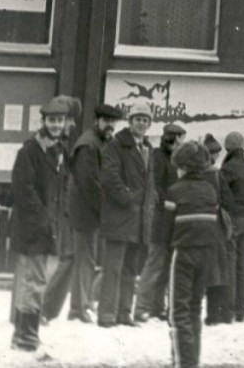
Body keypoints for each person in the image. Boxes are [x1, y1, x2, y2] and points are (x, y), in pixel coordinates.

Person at [10, 98, 69, 351]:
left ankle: (25, 333)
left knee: (39, 280)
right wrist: (43, 217)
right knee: (33, 281)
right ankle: (25, 335)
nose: (56, 125)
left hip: (48, 228)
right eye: (51, 120)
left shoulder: (58, 150)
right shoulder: (29, 151)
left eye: (60, 120)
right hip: (32, 228)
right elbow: (23, 189)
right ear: (43, 121)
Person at [97, 102, 156, 328]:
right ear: (130, 122)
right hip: (120, 217)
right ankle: (107, 315)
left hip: (139, 219)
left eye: (145, 120)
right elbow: (109, 177)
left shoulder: (148, 148)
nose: (141, 123)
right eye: (137, 119)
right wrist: (128, 198)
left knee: (131, 268)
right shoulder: (116, 145)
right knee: (113, 268)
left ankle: (124, 313)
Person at [164, 141, 220, 368]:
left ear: (181, 167)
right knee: (195, 309)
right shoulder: (210, 190)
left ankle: (182, 362)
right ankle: (191, 361)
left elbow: (165, 231)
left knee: (178, 313)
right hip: (206, 253)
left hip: (183, 253)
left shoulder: (174, 191)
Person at [67, 103, 121, 323]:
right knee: (85, 260)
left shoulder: (98, 142)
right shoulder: (89, 145)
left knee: (86, 259)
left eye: (113, 122)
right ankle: (79, 308)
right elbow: (90, 183)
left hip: (89, 211)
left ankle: (80, 305)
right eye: (106, 121)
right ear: (97, 121)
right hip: (86, 212)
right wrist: (104, 210)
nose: (110, 126)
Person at [135, 124, 186, 323]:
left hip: (169, 219)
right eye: (180, 138)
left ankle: (157, 306)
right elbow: (155, 188)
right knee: (154, 264)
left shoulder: (170, 158)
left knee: (164, 266)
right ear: (173, 138)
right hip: (161, 219)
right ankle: (141, 307)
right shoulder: (159, 158)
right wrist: (169, 202)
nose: (181, 143)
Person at [41, 95, 82, 324]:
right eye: (70, 120)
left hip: (62, 213)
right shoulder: (48, 146)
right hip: (51, 214)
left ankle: (44, 311)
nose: (73, 125)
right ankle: (41, 311)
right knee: (55, 260)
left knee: (66, 257)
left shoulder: (63, 146)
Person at [220, 132, 244, 322]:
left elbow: (223, 195)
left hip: (232, 219)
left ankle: (228, 308)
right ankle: (241, 310)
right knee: (243, 265)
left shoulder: (227, 168)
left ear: (228, 148)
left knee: (230, 263)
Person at [201, 134, 235, 325]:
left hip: (196, 226)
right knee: (219, 270)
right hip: (216, 227)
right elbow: (229, 201)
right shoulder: (216, 174)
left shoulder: (194, 174)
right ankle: (221, 313)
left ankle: (210, 314)